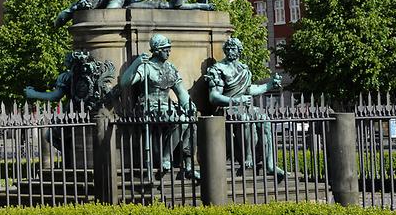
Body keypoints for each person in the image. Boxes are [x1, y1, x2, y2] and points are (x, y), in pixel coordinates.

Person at [116, 34, 198, 179]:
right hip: (149, 108)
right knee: (182, 121)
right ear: (157, 50)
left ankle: (188, 164)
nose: (169, 51)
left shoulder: (170, 68)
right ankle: (166, 158)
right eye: (165, 49)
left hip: (166, 108)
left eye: (169, 48)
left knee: (191, 122)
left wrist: (189, 105)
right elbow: (124, 83)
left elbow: (181, 92)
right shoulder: (146, 67)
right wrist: (135, 64)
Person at [205, 37, 286, 178]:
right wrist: (236, 100)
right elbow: (214, 97)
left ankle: (270, 163)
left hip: (244, 106)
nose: (230, 51)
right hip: (226, 108)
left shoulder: (244, 69)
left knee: (265, 118)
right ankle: (247, 157)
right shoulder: (218, 69)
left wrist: (269, 85)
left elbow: (249, 90)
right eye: (228, 49)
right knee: (244, 117)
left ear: (239, 51)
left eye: (233, 48)